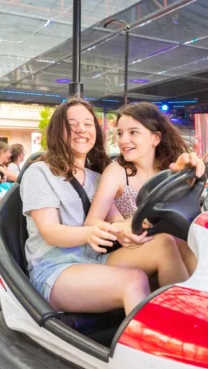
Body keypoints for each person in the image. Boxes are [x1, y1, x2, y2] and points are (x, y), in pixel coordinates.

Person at [22, 98, 190, 314]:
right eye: (72, 125)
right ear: (57, 131)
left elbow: (118, 223)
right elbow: (50, 232)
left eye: (88, 124)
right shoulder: (40, 172)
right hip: (55, 266)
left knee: (166, 243)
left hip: (95, 259)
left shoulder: (96, 178)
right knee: (134, 281)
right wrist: (91, 233)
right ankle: (151, 345)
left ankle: (192, 320)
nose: (81, 130)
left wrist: (129, 231)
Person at [86, 102, 204, 274]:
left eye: (133, 132)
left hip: (166, 243)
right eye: (120, 133)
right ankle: (184, 299)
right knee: (167, 241)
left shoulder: (168, 170)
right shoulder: (116, 172)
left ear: (155, 138)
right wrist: (119, 230)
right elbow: (91, 221)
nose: (123, 140)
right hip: (125, 249)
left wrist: (189, 172)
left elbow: (185, 214)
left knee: (186, 240)